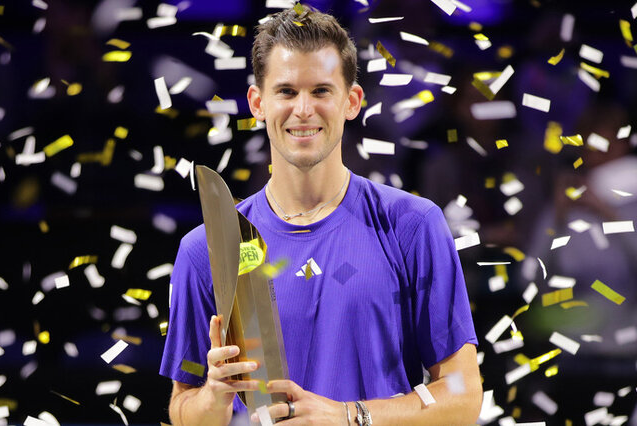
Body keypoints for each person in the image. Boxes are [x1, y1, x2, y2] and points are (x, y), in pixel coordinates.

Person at [160, 6, 482, 425]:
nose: (304, 109)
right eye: (287, 92)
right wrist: (215, 396)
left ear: (352, 101)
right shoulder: (207, 247)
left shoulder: (413, 225)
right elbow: (182, 411)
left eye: (321, 91)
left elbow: (464, 398)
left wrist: (350, 417)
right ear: (258, 103)